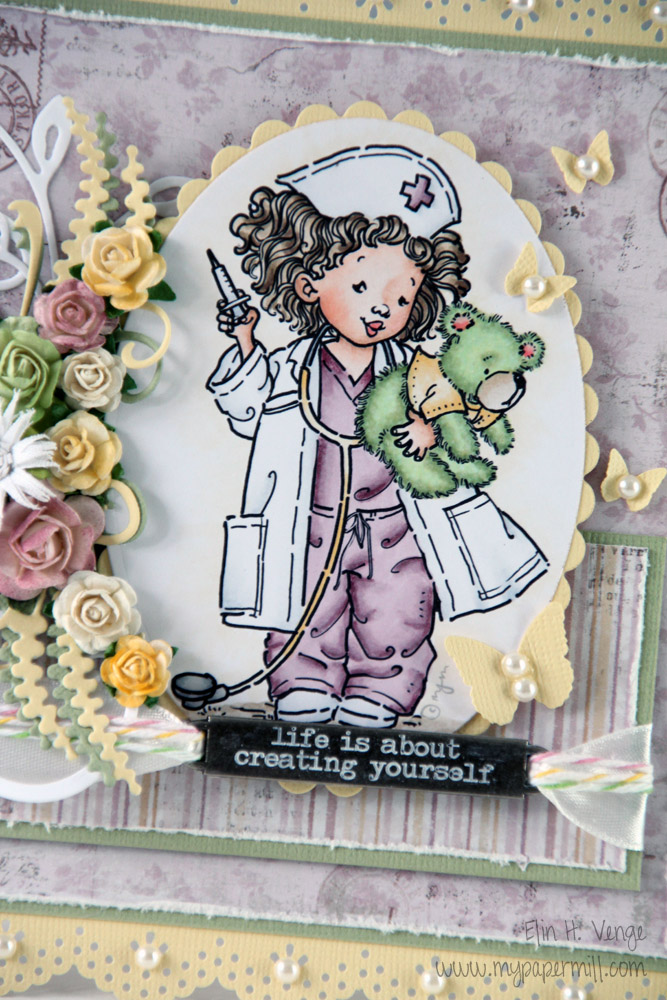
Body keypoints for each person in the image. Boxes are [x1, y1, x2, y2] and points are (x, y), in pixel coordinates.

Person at [206, 145, 547, 728]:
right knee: (306, 605)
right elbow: (246, 411)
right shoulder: (290, 366)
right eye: (362, 287)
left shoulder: (414, 369)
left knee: (398, 609)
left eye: (401, 296)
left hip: (395, 523)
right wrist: (244, 344)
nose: (381, 309)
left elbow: (450, 411)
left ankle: (383, 689)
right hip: (308, 521)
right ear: (309, 284)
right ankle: (303, 681)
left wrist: (426, 430)